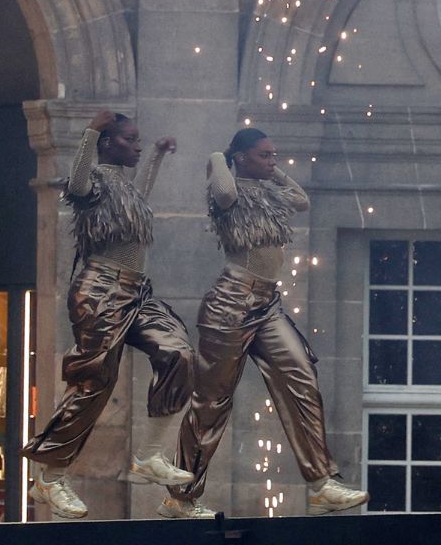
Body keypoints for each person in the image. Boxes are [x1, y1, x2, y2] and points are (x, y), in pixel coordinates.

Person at [158, 128, 370, 518]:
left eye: (275, 154)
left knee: (302, 376)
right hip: (231, 304)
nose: (274, 161)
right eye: (265, 155)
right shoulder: (226, 192)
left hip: (267, 304)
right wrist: (218, 157)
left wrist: (273, 173)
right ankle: (180, 497)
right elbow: (224, 193)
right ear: (241, 157)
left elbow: (302, 200)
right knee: (211, 403)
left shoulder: (269, 193)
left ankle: (322, 483)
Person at [22, 110, 194, 519]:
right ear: (108, 143)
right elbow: (77, 183)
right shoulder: (95, 179)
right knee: (93, 383)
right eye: (131, 140)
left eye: (138, 140)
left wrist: (154, 156)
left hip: (136, 291)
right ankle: (48, 478)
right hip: (100, 291)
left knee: (179, 353)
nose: (135, 145)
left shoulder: (122, 185)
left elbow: (139, 201)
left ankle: (150, 455)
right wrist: (90, 131)